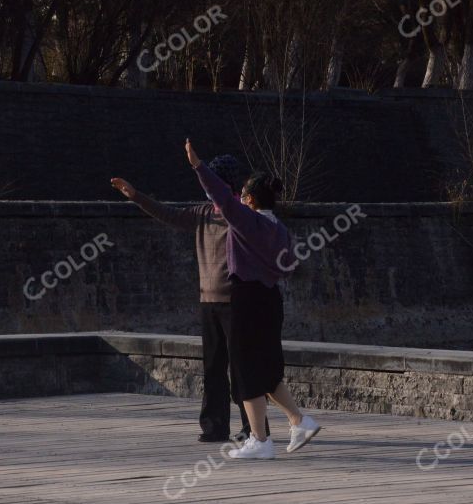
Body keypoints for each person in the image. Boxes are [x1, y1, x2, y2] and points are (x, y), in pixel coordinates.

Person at [111, 159, 270, 443]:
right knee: (213, 367)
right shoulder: (202, 214)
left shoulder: (241, 216)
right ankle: (214, 425)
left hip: (237, 302)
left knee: (242, 368)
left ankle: (254, 427)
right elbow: (168, 214)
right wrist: (136, 196)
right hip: (209, 301)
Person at [185, 138, 321, 459]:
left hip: (246, 299)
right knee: (267, 370)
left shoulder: (247, 221)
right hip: (271, 300)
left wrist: (197, 166)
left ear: (248, 198)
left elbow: (220, 196)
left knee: (245, 370)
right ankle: (298, 421)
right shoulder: (280, 229)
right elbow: (289, 267)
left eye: (243, 194)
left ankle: (260, 441)